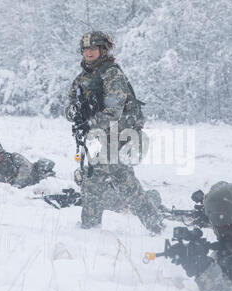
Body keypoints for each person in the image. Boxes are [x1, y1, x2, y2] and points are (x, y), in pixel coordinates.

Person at [65, 31, 164, 234]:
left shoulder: (111, 74)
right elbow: (70, 107)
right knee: (125, 182)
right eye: (85, 49)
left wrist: (90, 122)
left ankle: (88, 227)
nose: (88, 52)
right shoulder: (81, 79)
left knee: (93, 180)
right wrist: (74, 114)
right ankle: (154, 224)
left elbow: (114, 111)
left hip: (118, 135)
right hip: (98, 137)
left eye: (93, 48)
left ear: (103, 50)